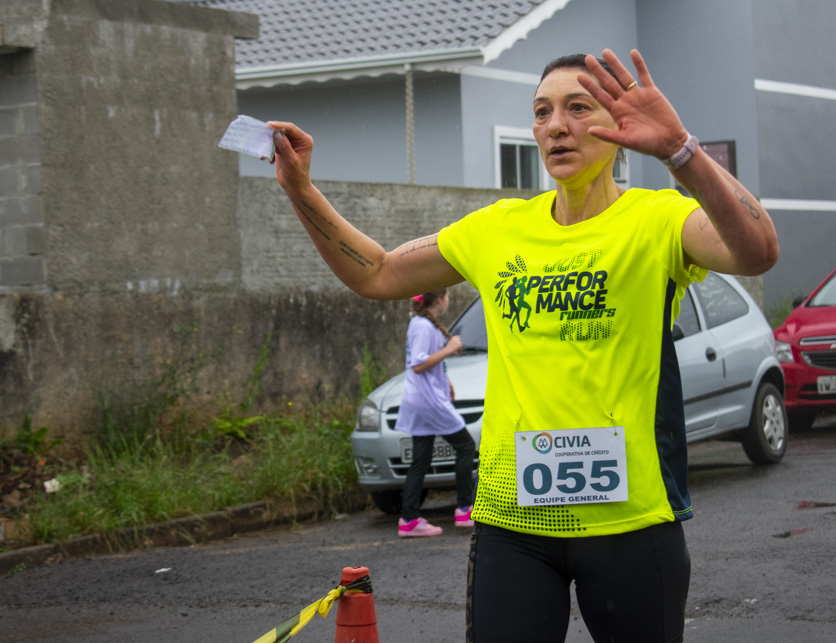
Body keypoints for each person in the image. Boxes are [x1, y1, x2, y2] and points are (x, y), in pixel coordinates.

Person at [265, 48, 778, 642]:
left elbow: (757, 250)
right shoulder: (497, 229)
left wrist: (681, 151)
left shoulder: (657, 218)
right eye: (541, 111)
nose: (555, 124)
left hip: (631, 521)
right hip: (515, 521)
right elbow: (376, 272)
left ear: (617, 129)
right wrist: (300, 188)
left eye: (577, 108)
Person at [394, 288, 477, 538]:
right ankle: (464, 509)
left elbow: (428, 364)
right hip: (428, 402)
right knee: (465, 446)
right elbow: (419, 364)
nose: (448, 300)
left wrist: (446, 381)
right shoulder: (422, 326)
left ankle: (408, 519)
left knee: (420, 459)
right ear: (439, 299)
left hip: (423, 399)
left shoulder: (421, 324)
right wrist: (450, 347)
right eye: (448, 296)